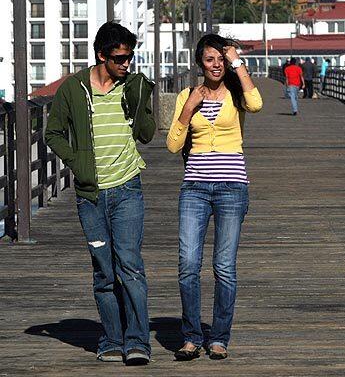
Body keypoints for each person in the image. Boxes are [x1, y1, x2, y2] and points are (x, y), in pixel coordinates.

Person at [44, 22, 154, 365]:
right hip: (91, 195)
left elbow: (148, 134)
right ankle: (111, 339)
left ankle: (138, 340)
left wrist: (141, 101)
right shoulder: (73, 89)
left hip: (127, 188)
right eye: (120, 57)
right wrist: (77, 161)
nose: (126, 63)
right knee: (104, 270)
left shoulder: (132, 84)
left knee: (131, 266)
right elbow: (53, 133)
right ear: (101, 55)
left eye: (130, 57)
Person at [166, 34, 262, 361]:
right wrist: (188, 109)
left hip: (231, 188)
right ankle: (192, 336)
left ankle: (219, 337)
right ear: (200, 63)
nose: (216, 65)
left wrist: (238, 62)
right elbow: (173, 145)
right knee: (188, 264)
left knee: (224, 266)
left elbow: (257, 103)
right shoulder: (186, 95)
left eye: (221, 59)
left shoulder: (237, 94)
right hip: (194, 188)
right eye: (210, 59)